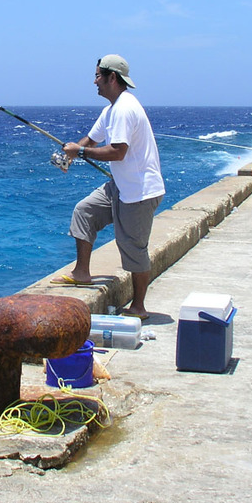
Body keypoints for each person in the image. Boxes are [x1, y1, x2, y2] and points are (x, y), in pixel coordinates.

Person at [53, 55, 165, 320]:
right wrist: (70, 154)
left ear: (112, 77)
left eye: (98, 76)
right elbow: (91, 140)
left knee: (132, 246)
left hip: (140, 191)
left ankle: (139, 307)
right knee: (85, 211)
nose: (94, 82)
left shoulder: (125, 108)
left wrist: (79, 152)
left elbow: (118, 152)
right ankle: (82, 273)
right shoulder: (111, 110)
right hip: (121, 186)